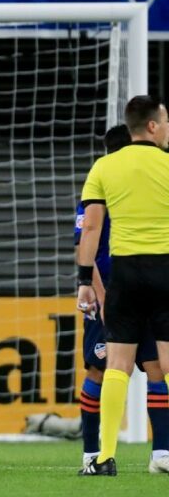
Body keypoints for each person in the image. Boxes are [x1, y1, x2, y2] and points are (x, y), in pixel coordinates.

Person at [77, 96, 169, 477]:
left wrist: (85, 280)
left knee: (116, 366)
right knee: (165, 365)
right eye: (165, 121)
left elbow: (92, 228)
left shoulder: (104, 166)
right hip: (166, 268)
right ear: (151, 125)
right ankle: (162, 452)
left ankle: (103, 457)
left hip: (125, 274)